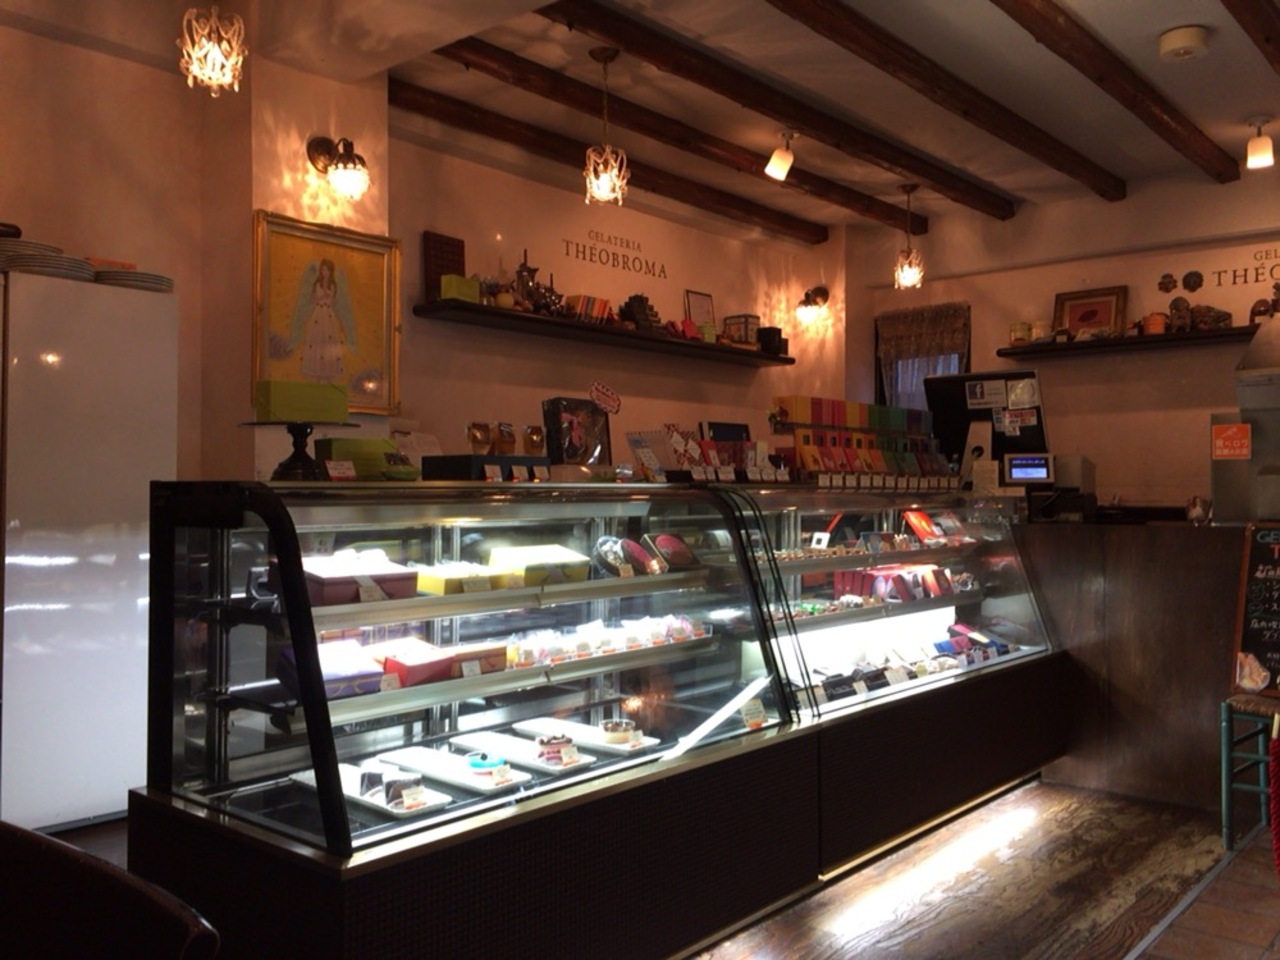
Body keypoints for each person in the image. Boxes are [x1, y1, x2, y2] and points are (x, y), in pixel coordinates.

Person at [285, 258, 357, 381]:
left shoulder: (332, 285)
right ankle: (316, 370)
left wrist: (330, 296)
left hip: (328, 314)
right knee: (316, 339)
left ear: (330, 272)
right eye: (323, 270)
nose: (325, 273)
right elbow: (314, 299)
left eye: (327, 270)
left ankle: (327, 371)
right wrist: (323, 295)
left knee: (328, 340)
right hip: (318, 313)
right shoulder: (317, 284)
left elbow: (333, 302)